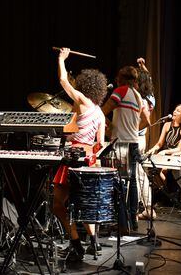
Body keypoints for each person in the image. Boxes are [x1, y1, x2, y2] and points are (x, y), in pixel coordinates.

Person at [52, 48, 108, 261]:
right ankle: (94, 243)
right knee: (83, 202)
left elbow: (63, 81)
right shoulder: (101, 114)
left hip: (73, 157)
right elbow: (100, 143)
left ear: (84, 87)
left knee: (58, 204)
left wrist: (61, 59)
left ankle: (76, 243)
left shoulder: (83, 101)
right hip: (89, 160)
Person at [102, 65, 149, 231]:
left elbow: (103, 111)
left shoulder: (121, 91)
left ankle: (122, 224)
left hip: (121, 143)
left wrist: (108, 126)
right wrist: (131, 129)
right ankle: (132, 219)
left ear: (120, 79)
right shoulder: (138, 96)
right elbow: (147, 121)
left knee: (119, 182)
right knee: (133, 181)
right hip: (133, 142)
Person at [147, 104, 181, 185]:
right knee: (151, 170)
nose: (174, 111)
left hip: (174, 155)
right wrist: (153, 149)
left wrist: (165, 152)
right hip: (163, 154)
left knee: (162, 171)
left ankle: (165, 194)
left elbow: (180, 149)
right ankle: (159, 191)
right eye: (175, 109)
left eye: (178, 111)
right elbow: (159, 143)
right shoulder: (167, 125)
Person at [135, 57, 156, 220]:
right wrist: (143, 66)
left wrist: (131, 129)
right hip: (140, 139)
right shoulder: (150, 97)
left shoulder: (139, 99)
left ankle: (148, 207)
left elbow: (145, 122)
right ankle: (144, 206)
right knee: (137, 173)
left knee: (138, 174)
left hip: (134, 138)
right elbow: (147, 78)